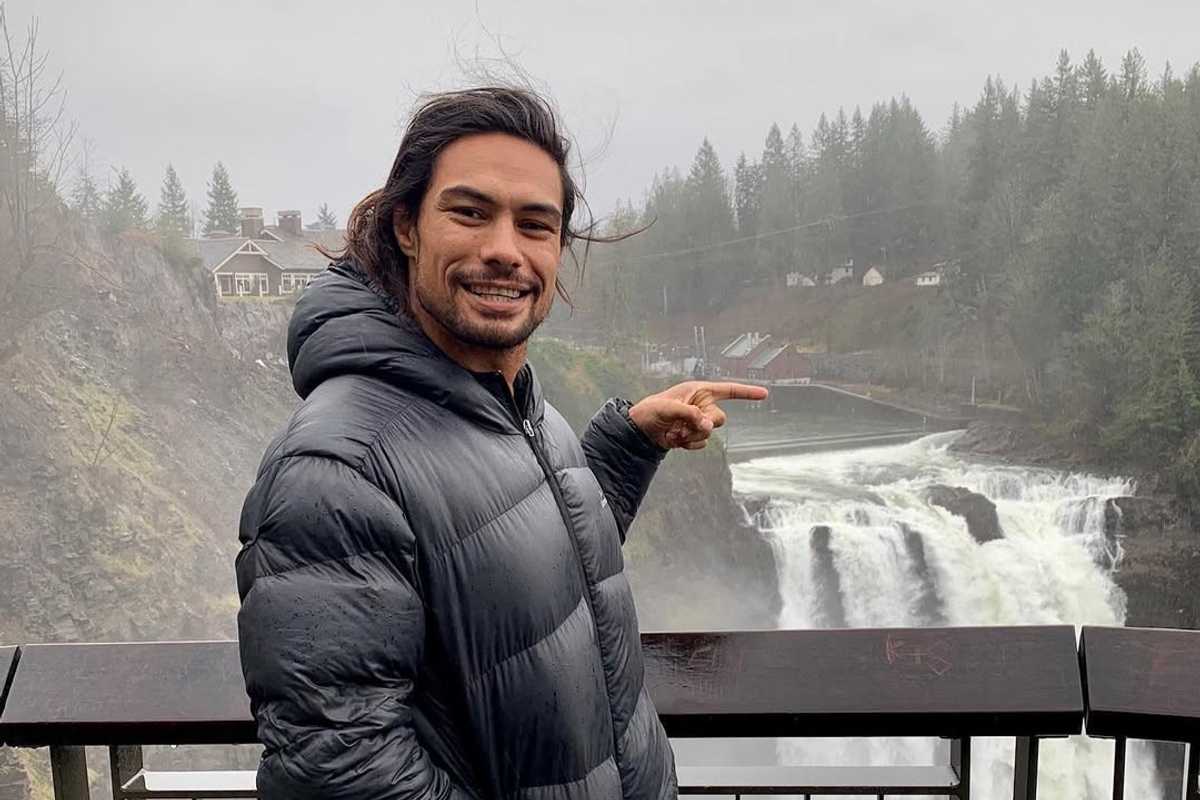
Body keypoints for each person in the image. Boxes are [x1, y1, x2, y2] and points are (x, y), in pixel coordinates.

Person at [234, 86, 767, 800]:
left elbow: (517, 556)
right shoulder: (337, 468)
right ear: (406, 227)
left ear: (558, 250)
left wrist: (627, 446)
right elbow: (340, 772)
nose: (504, 251)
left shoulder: (511, 406)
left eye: (535, 225)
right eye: (470, 212)